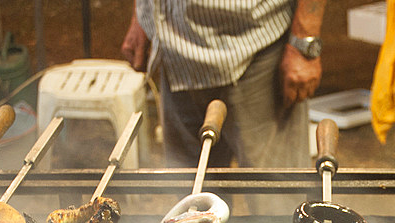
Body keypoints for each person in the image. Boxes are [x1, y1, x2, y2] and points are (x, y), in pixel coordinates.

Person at [122, 0, 326, 170]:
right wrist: (142, 15)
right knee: (192, 203)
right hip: (174, 52)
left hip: (254, 48)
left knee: (276, 202)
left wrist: (304, 41)